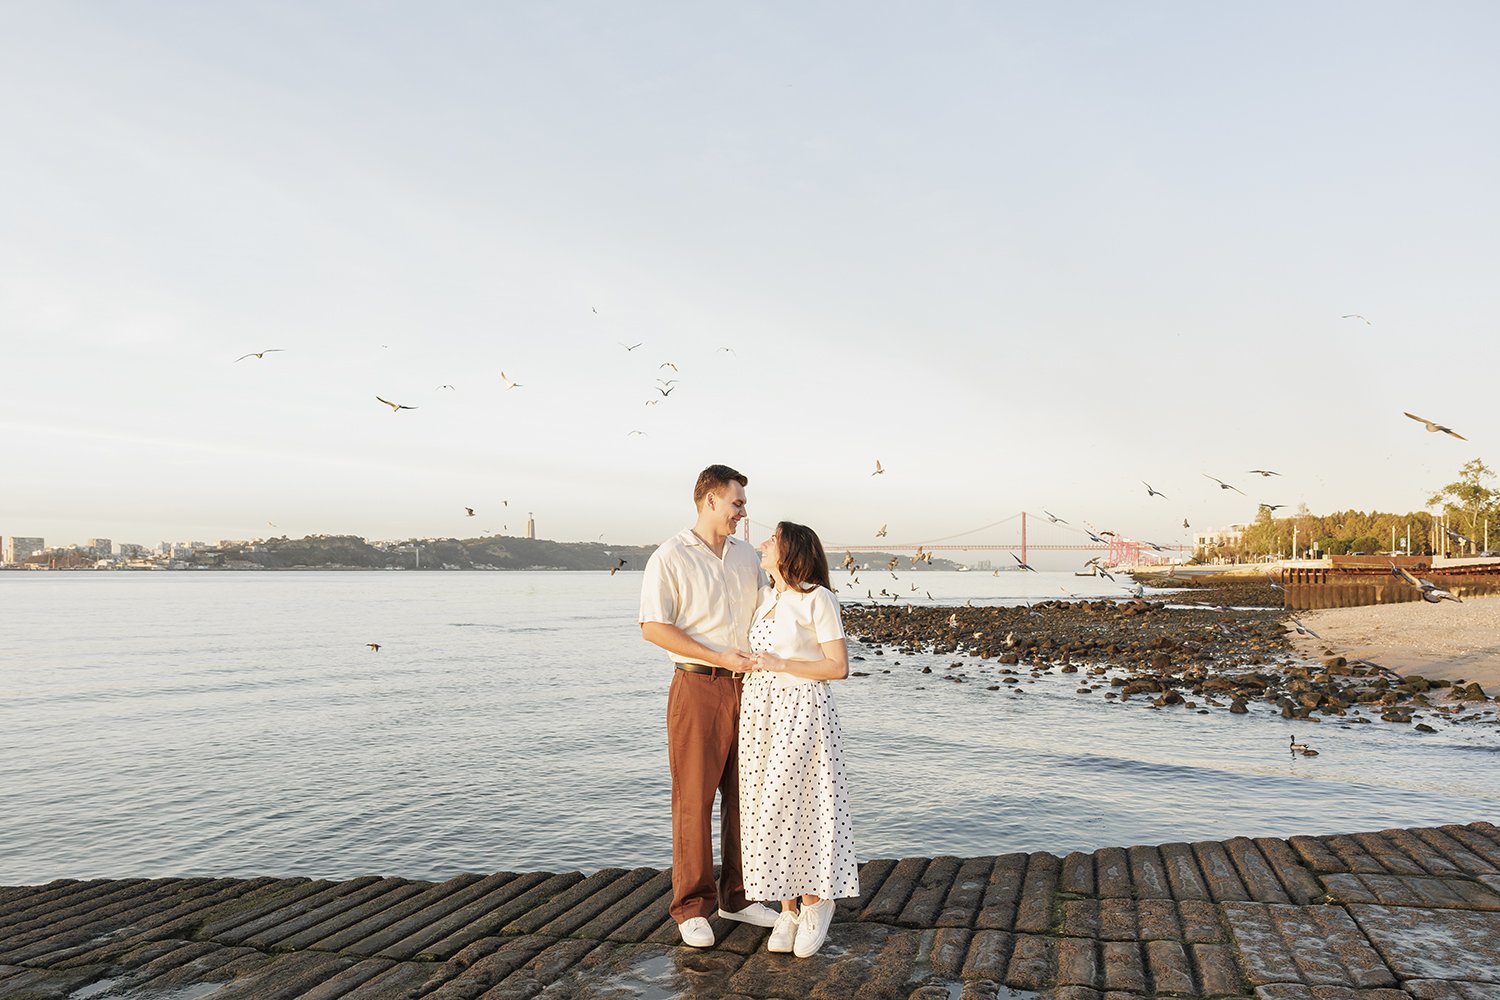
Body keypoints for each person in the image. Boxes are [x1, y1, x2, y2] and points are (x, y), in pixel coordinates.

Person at [639, 464, 781, 948]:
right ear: (710, 500)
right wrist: (717, 654)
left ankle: (738, 898)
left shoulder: (747, 556)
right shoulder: (670, 556)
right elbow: (653, 627)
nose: (744, 512)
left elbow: (772, 609)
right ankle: (691, 907)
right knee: (694, 801)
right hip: (698, 687)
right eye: (737, 502)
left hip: (753, 687)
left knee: (747, 799)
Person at [739, 521, 858, 959]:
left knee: (801, 804)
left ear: (790, 551)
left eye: (772, 538)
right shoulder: (766, 597)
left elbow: (837, 666)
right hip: (760, 713)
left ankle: (816, 901)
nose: (764, 543)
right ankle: (785, 906)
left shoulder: (817, 597)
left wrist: (779, 661)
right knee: (763, 810)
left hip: (801, 709)